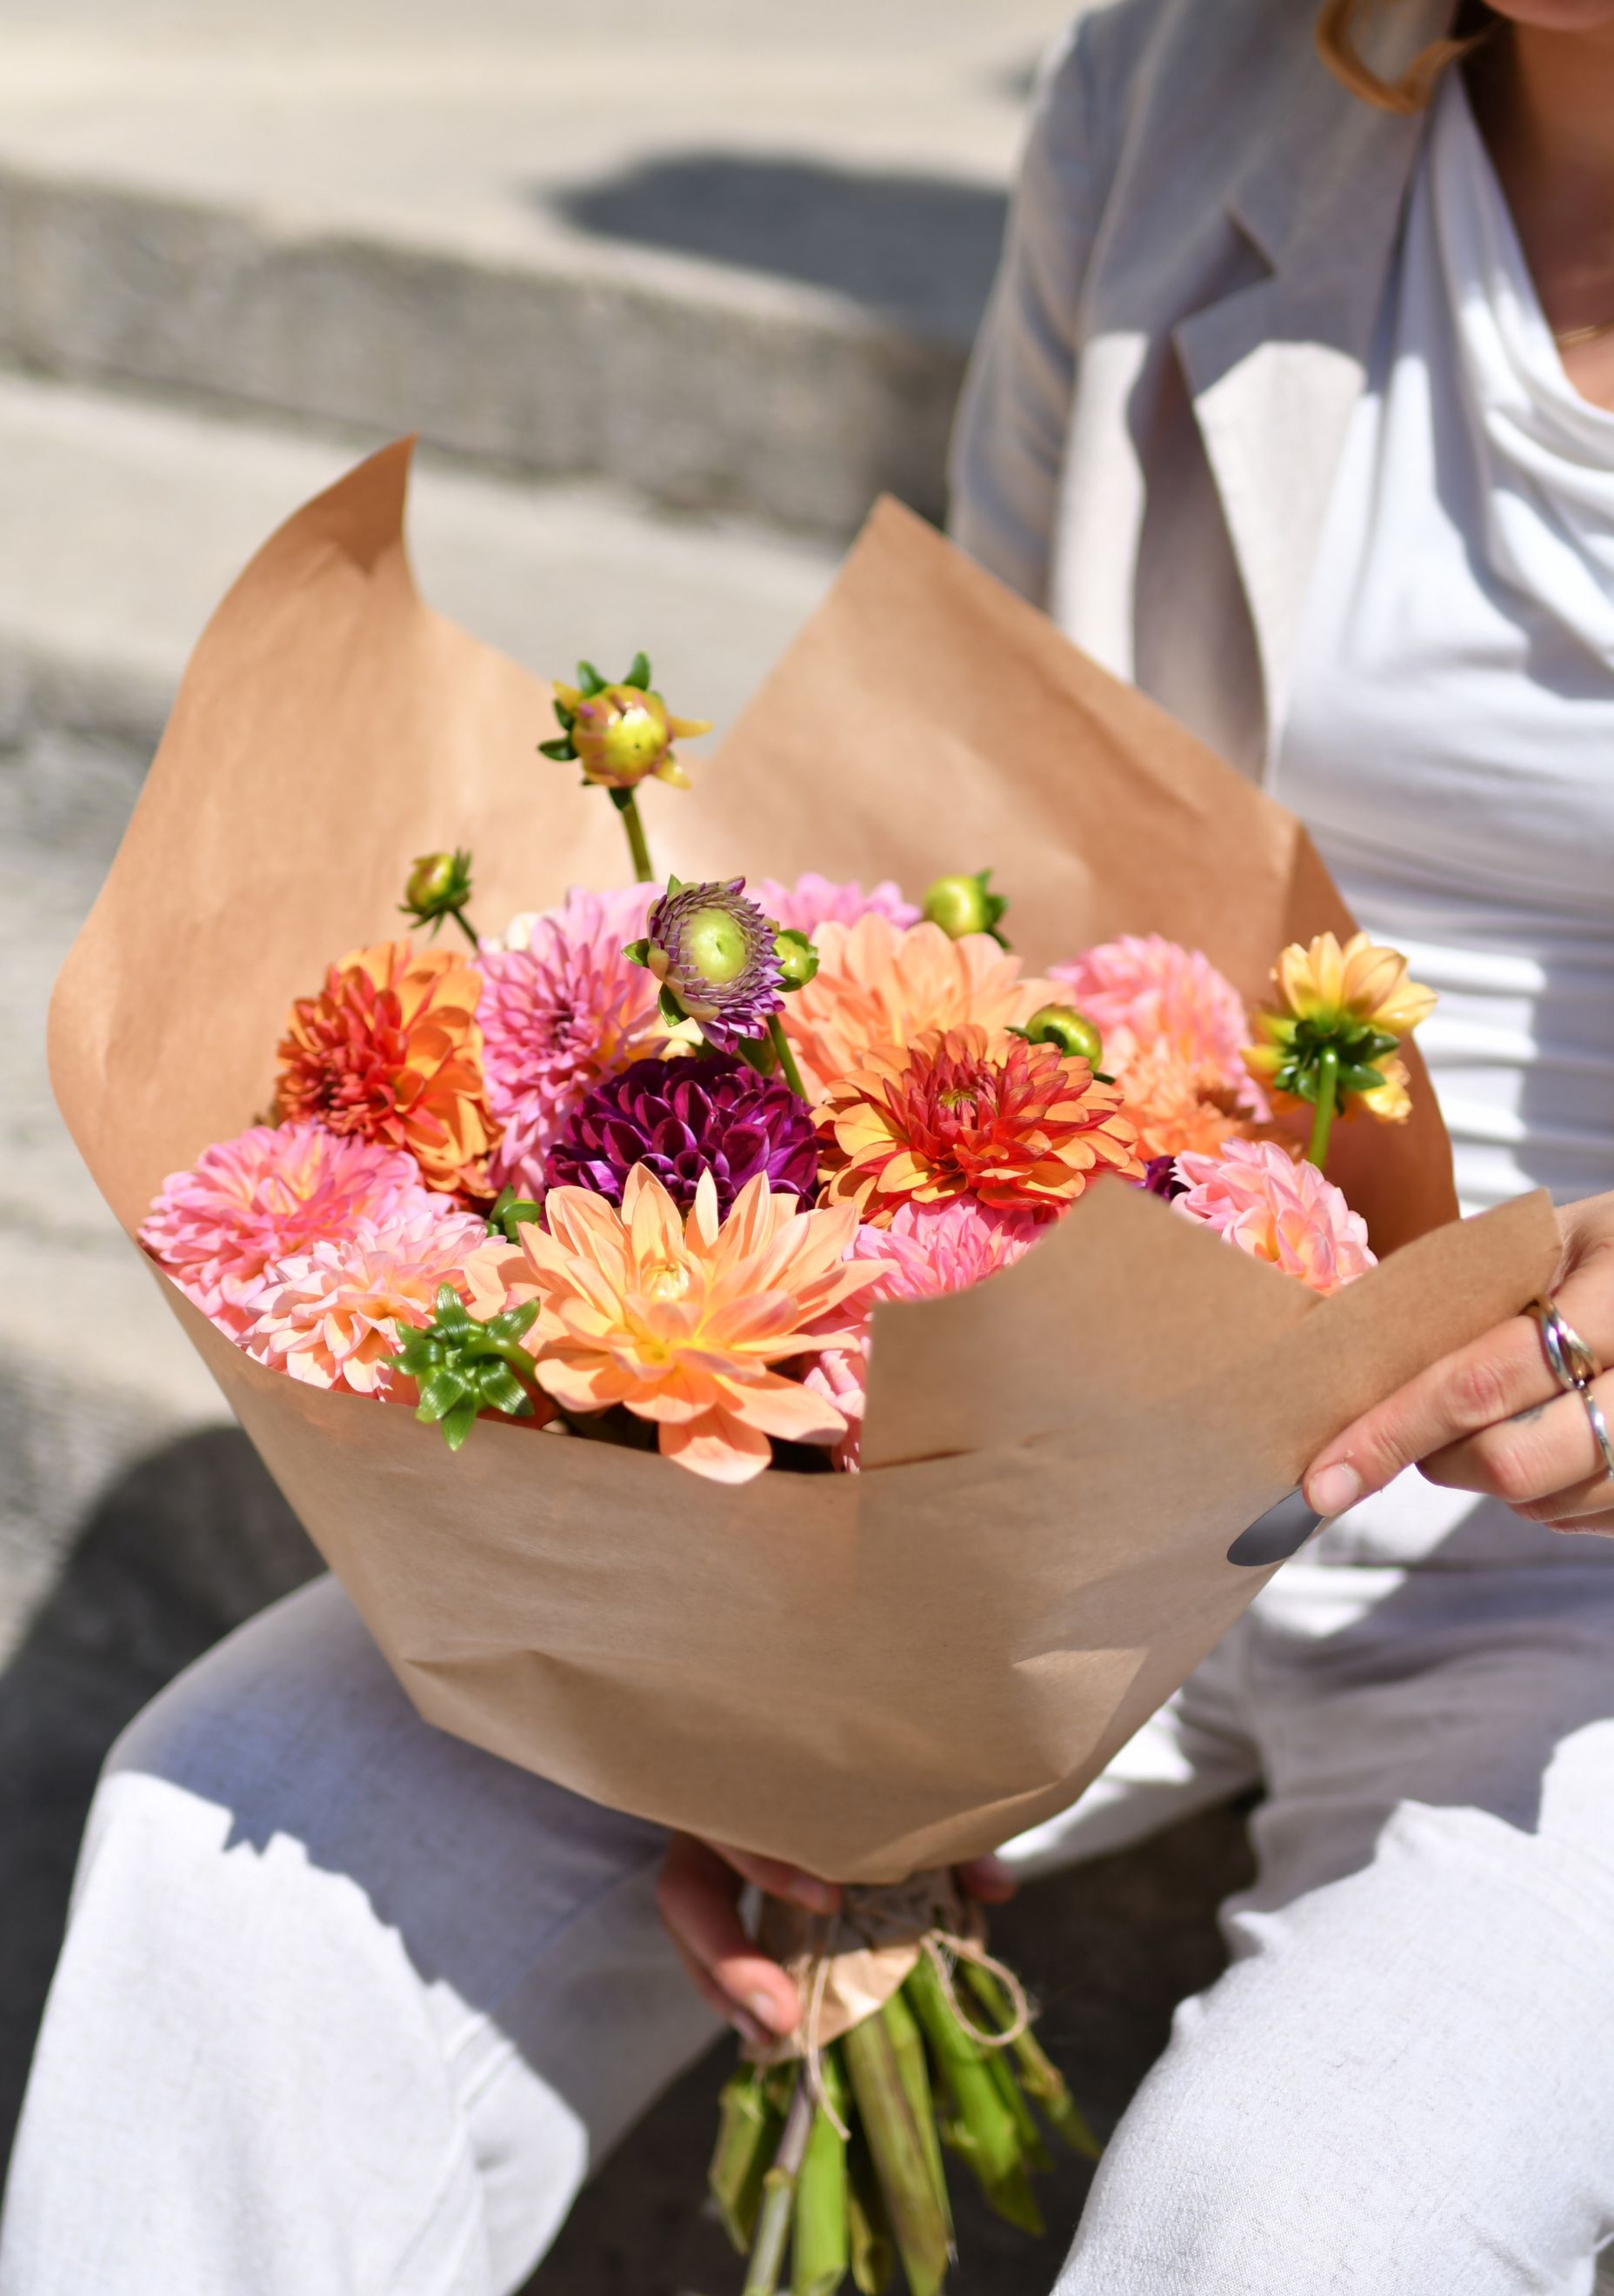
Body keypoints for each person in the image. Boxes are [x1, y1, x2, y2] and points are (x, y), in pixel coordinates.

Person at [4, 0, 1614, 2287]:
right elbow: (1040, 840)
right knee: (249, 1850)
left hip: (1577, 1585)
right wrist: (832, 1682)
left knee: (1305, 2219)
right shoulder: (1183, 90)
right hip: (1106, 1371)